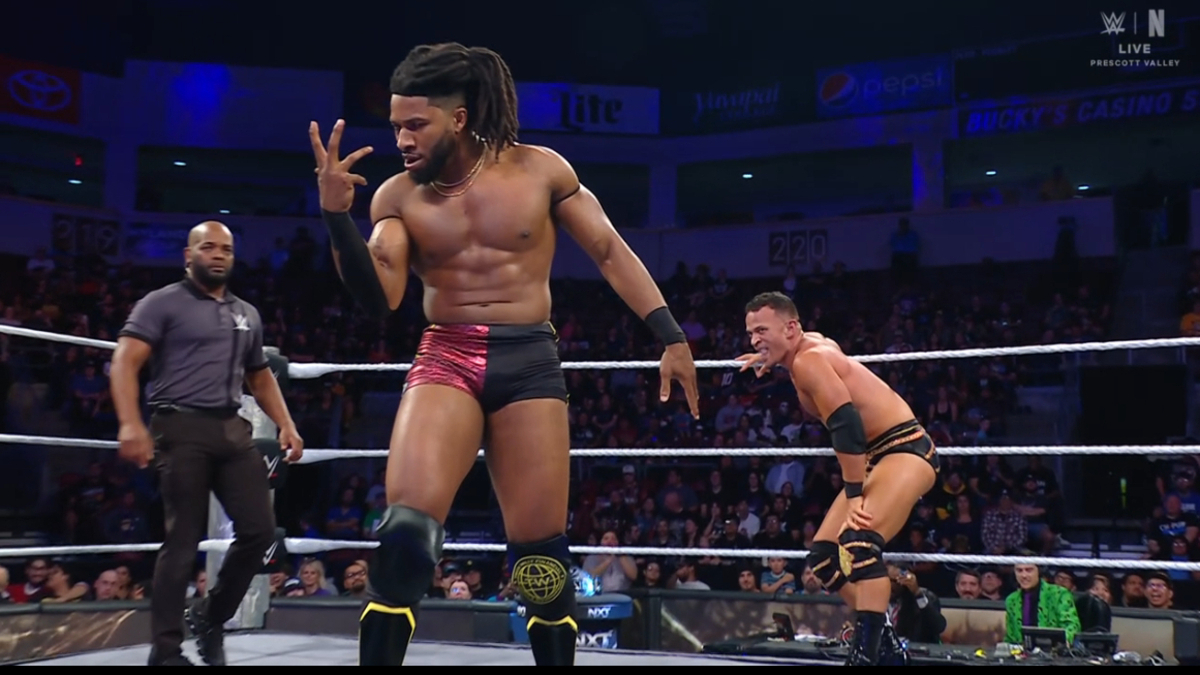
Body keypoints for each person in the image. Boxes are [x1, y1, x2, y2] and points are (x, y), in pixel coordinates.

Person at [308, 42, 699, 667]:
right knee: (406, 536)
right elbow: (380, 298)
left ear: (459, 118)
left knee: (542, 562)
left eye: (416, 124)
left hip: (529, 359)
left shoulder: (540, 171)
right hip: (446, 354)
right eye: (396, 126)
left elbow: (608, 249)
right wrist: (336, 220)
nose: (402, 140)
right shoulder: (397, 197)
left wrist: (671, 335)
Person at [110, 221, 304, 666]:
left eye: (226, 249)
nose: (218, 255)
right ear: (188, 255)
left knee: (259, 532)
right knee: (181, 541)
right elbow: (124, 361)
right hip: (180, 427)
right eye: (209, 247)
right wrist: (129, 423)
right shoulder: (161, 303)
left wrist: (286, 424)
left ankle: (210, 616)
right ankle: (165, 652)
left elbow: (258, 375)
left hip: (231, 428)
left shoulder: (246, 312)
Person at [736, 291, 940, 666]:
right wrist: (768, 353)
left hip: (904, 449)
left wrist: (855, 494)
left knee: (859, 544)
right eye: (751, 334)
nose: (754, 340)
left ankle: (865, 656)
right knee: (825, 558)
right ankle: (886, 644)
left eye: (761, 331)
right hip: (879, 455)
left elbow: (847, 428)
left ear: (791, 328)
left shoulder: (808, 361)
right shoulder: (806, 347)